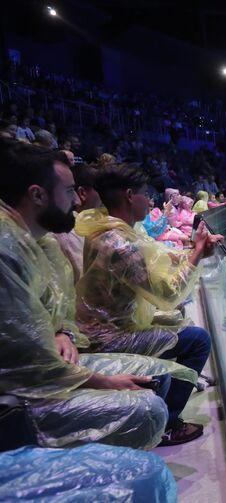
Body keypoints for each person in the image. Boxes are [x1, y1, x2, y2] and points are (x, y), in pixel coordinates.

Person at [0, 139, 167, 449]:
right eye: (68, 192)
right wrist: (105, 383)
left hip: (61, 358)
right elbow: (30, 362)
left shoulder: (40, 241)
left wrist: (62, 330)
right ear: (37, 195)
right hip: (19, 397)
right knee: (149, 408)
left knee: (158, 382)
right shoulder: (6, 248)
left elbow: (60, 305)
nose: (77, 201)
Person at [75, 163, 223, 445]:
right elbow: (168, 293)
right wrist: (198, 254)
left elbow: (155, 255)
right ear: (130, 195)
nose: (151, 201)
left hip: (100, 327)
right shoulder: (119, 244)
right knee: (198, 340)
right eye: (146, 194)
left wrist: (195, 252)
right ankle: (167, 423)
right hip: (107, 338)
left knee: (177, 327)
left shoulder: (109, 231)